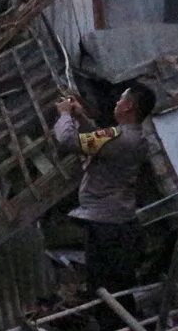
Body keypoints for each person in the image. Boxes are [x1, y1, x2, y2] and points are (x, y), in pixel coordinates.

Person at [54, 83, 156, 298]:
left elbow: (67, 140)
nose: (117, 103)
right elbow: (97, 140)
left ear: (127, 106)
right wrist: (81, 118)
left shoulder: (119, 138)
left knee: (105, 287)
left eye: (120, 99)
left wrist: (64, 115)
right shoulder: (135, 138)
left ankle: (116, 326)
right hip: (117, 222)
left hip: (106, 226)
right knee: (118, 284)